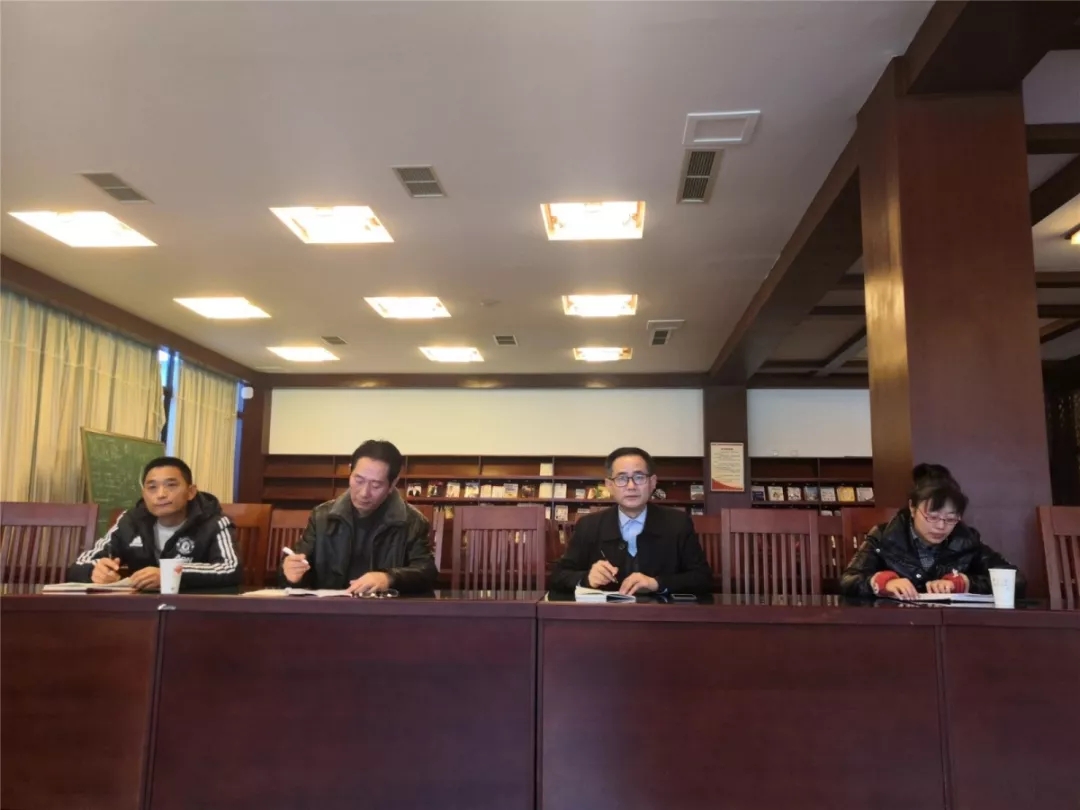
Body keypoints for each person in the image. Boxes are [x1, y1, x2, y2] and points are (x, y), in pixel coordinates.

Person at [840, 464, 1025, 599]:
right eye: (932, 517)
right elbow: (848, 580)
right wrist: (884, 583)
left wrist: (965, 583)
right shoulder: (885, 536)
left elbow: (1016, 580)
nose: (941, 526)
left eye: (950, 519)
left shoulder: (966, 540)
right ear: (912, 508)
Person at [280, 439, 436, 594]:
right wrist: (291, 573)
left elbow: (426, 573)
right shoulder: (322, 517)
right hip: (332, 606)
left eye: (376, 485)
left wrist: (389, 578)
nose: (364, 493)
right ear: (350, 472)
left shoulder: (412, 522)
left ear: (392, 484)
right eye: (358, 480)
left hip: (384, 607)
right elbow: (299, 563)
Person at [550, 446, 712, 595]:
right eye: (621, 478)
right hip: (604, 614)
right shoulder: (588, 525)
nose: (631, 486)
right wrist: (587, 578)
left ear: (652, 482)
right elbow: (558, 576)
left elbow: (702, 577)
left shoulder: (678, 523)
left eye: (639, 477)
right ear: (609, 485)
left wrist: (657, 583)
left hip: (661, 613)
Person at [68, 456, 240, 591]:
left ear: (190, 492)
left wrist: (170, 574)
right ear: (144, 493)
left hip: (193, 608)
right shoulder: (130, 521)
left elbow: (230, 569)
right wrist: (95, 571)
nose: (161, 494)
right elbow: (79, 565)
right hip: (140, 609)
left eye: (171, 485)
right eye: (152, 487)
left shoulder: (213, 522)